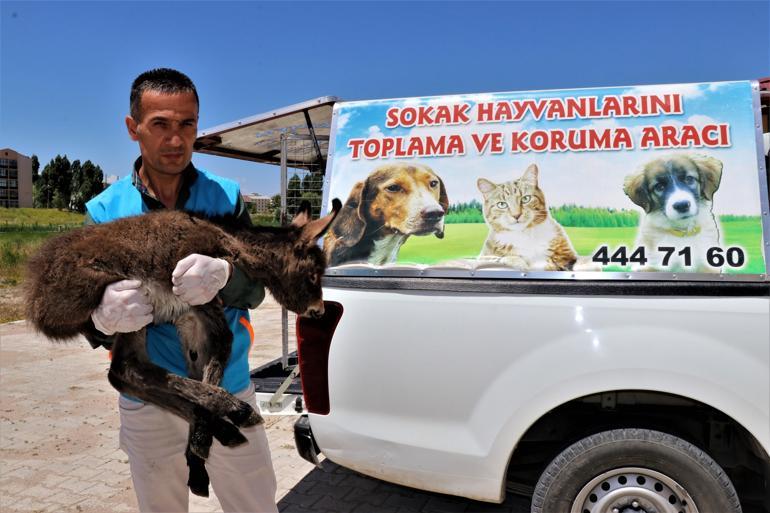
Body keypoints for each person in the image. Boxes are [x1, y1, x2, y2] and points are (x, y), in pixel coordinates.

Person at [83, 68, 279, 513]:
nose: (176, 140)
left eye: (187, 124)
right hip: (150, 397)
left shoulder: (225, 198)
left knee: (256, 505)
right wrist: (99, 317)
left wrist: (229, 275)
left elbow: (256, 289)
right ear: (133, 128)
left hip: (227, 387)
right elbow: (81, 311)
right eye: (161, 125)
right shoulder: (105, 212)